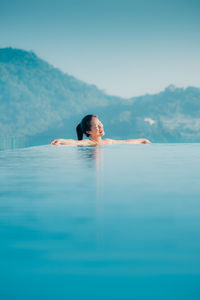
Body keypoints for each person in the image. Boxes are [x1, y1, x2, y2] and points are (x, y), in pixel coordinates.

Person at [50, 114, 151, 146]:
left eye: (100, 124)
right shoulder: (89, 143)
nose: (101, 127)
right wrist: (61, 141)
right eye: (97, 126)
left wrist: (142, 140)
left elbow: (125, 142)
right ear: (89, 131)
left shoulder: (108, 141)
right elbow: (75, 143)